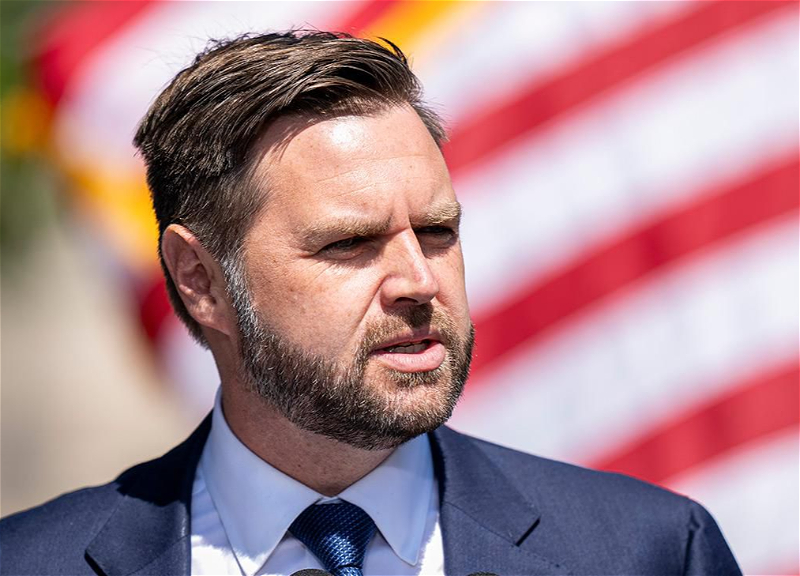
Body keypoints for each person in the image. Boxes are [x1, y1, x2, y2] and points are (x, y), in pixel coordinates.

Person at [0, 31, 741, 576]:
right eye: (351, 243)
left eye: (438, 231)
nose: (419, 281)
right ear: (200, 279)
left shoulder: (650, 552)